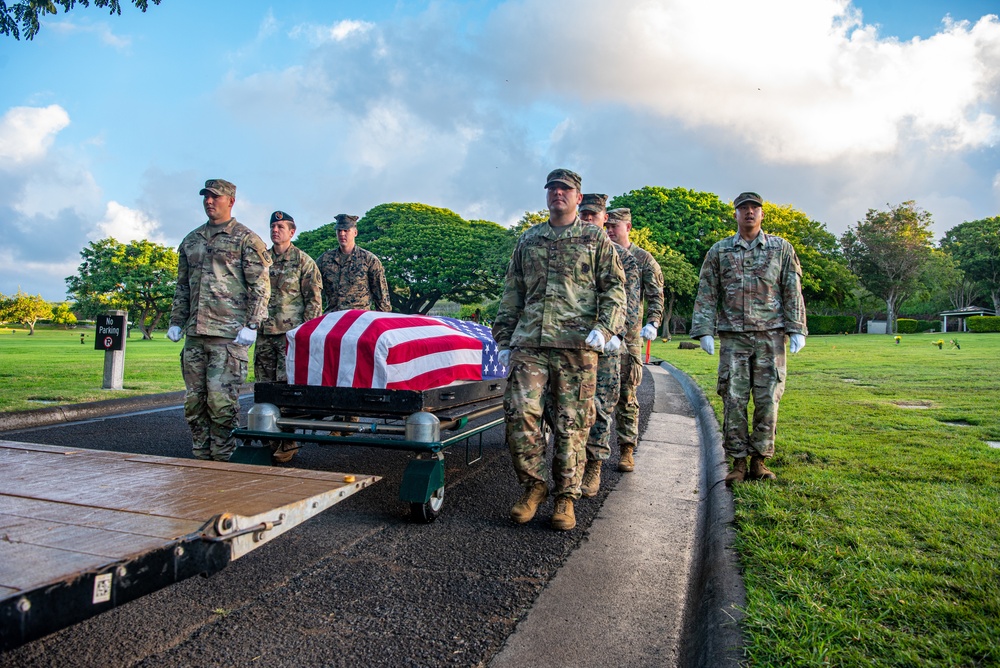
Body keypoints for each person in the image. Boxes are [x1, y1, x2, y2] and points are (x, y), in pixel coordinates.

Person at [493, 169, 625, 531]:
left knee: (573, 423)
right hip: (530, 343)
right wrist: (504, 339)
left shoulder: (595, 238)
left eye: (565, 189)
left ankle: (566, 497)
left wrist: (606, 327)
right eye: (552, 189)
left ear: (578, 197)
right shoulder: (529, 239)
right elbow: (513, 291)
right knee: (520, 413)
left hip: (576, 346)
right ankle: (533, 487)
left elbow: (615, 288)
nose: (558, 194)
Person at [690, 191, 807, 485]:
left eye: (755, 208)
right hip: (734, 338)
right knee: (734, 399)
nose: (749, 212)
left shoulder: (781, 248)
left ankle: (760, 461)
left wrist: (796, 328)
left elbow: (792, 289)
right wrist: (704, 330)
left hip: (771, 336)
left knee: (768, 399)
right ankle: (738, 462)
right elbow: (707, 292)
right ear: (736, 215)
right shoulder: (720, 251)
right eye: (744, 208)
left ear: (763, 214)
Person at [167, 179, 271, 461]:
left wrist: (252, 324)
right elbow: (183, 286)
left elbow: (260, 286)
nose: (209, 201)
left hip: (228, 336)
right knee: (194, 403)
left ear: (231, 201)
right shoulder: (191, 240)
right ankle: (201, 455)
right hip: (195, 335)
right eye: (206, 197)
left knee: (221, 403)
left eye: (216, 197)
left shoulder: (246, 239)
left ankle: (224, 459)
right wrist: (177, 320)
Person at [577, 194, 642, 498]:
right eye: (584, 214)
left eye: (594, 215)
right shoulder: (568, 248)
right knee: (567, 407)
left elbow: (627, 302)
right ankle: (572, 463)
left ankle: (594, 465)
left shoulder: (622, 256)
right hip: (572, 343)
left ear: (605, 219)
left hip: (606, 344)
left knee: (601, 405)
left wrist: (615, 334)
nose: (588, 219)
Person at [255, 210, 323, 462]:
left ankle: (287, 441)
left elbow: (313, 302)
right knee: (264, 388)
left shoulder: (304, 262)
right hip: (263, 335)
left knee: (287, 390)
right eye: (273, 226)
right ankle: (269, 437)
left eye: (281, 226)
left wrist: (306, 335)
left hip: (289, 337)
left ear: (292, 232)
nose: (275, 230)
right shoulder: (262, 260)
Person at [604, 207, 664, 473]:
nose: (609, 231)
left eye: (614, 227)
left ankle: (627, 449)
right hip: (604, 337)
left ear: (628, 227)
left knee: (627, 395)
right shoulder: (601, 253)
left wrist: (653, 322)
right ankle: (594, 453)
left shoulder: (642, 259)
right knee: (598, 395)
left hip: (629, 338)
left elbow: (656, 294)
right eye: (607, 226)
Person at [317, 214, 391, 313]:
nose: (342, 234)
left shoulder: (369, 260)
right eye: (339, 231)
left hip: (359, 320)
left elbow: (382, 298)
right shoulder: (324, 260)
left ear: (355, 232)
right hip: (333, 319)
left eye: (346, 230)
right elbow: (313, 292)